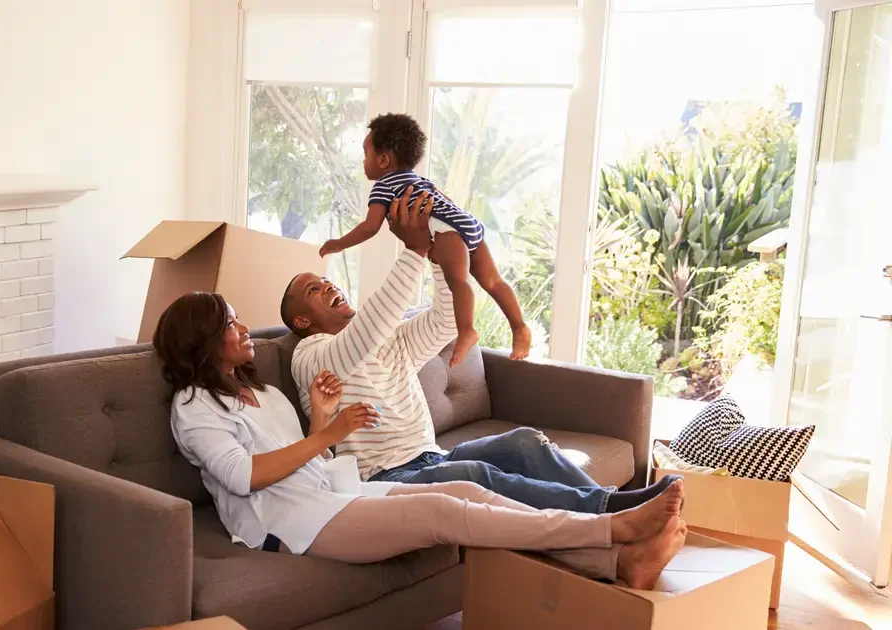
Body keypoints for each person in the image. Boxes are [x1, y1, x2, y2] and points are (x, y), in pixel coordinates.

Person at [154, 291, 687, 589]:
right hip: (289, 524)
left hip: (328, 497)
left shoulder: (264, 393)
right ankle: (609, 527)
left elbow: (308, 463)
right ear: (202, 341)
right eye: (230, 321)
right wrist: (331, 434)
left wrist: (320, 420)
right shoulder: (193, 407)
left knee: (471, 495)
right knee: (441, 512)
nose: (243, 326)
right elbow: (247, 477)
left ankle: (619, 563)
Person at [284, 185, 680, 514]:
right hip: (385, 478)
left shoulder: (388, 337)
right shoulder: (311, 355)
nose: (329, 286)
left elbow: (445, 321)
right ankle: (612, 512)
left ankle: (617, 508)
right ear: (302, 320)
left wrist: (440, 256)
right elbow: (361, 340)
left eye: (326, 280)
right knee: (475, 474)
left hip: (430, 456)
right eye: (313, 290)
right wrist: (413, 251)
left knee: (525, 441)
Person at [319, 113, 530, 365]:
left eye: (366, 155)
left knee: (458, 281)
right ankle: (519, 328)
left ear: (383, 160)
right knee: (494, 281)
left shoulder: (384, 186)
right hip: (466, 221)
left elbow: (370, 226)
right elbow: (447, 201)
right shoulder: (420, 180)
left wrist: (339, 243)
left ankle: (466, 330)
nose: (363, 161)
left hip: (445, 229)